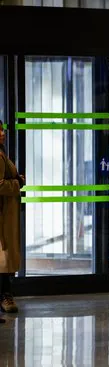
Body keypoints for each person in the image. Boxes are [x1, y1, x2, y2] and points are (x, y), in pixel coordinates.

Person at [0, 121, 24, 318]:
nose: (2, 134)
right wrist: (18, 183)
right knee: (4, 257)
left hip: (6, 213)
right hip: (3, 215)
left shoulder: (2, 153)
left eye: (2, 130)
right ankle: (5, 297)